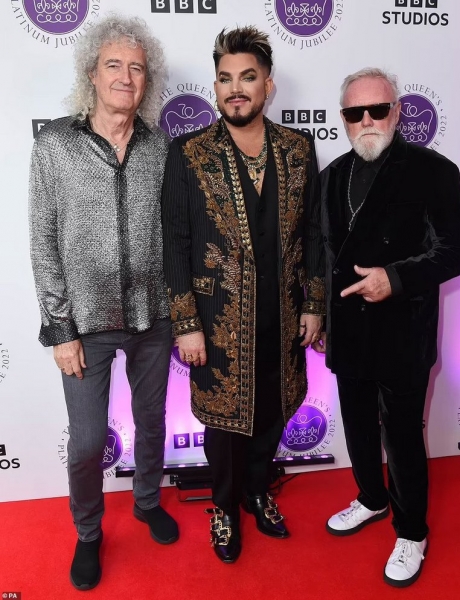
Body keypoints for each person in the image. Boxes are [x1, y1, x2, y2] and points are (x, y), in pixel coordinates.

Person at [161, 26, 323, 563]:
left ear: (267, 86)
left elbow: (314, 234)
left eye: (247, 77)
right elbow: (175, 242)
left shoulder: (298, 149)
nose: (236, 89)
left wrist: (314, 304)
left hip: (283, 316)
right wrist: (186, 323)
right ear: (215, 87)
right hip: (217, 319)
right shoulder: (189, 153)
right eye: (225, 78)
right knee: (223, 425)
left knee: (273, 411)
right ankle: (225, 508)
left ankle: (257, 491)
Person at [29, 15, 178, 591]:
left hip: (153, 317)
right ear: (91, 74)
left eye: (136, 68)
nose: (125, 77)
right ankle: (88, 532)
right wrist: (59, 327)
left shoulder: (161, 147)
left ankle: (146, 501)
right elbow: (43, 240)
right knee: (88, 442)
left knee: (151, 421)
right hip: (84, 324)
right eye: (113, 65)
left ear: (147, 80)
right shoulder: (54, 145)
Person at [314, 67, 460, 587]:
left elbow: (457, 251)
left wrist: (396, 278)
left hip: (402, 333)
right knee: (357, 425)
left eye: (378, 109)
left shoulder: (433, 171)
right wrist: (319, 314)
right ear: (343, 118)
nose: (367, 120)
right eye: (354, 112)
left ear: (397, 112)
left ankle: (411, 532)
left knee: (402, 435)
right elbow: (324, 256)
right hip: (347, 331)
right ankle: (371, 498)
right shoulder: (332, 176)